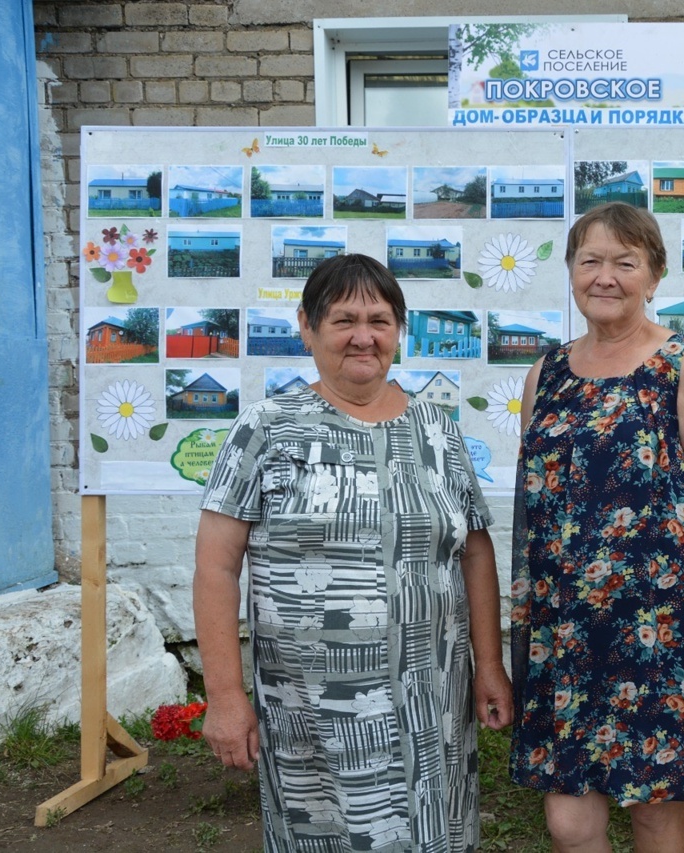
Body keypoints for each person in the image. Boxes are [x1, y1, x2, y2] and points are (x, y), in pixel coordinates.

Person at [194, 253, 512, 852]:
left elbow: (473, 550)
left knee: (434, 833)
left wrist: (489, 666)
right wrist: (226, 697)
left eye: (379, 320)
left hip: (433, 701)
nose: (363, 337)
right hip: (311, 710)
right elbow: (215, 566)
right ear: (307, 327)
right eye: (343, 320)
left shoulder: (438, 431)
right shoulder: (265, 428)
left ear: (398, 330)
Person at [509, 202, 684, 851]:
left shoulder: (683, 365)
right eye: (590, 260)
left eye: (625, 261)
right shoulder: (546, 374)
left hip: (659, 636)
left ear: (654, 273)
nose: (605, 275)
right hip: (568, 634)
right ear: (571, 271)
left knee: (655, 812)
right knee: (569, 821)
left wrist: (669, 584)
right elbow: (541, 508)